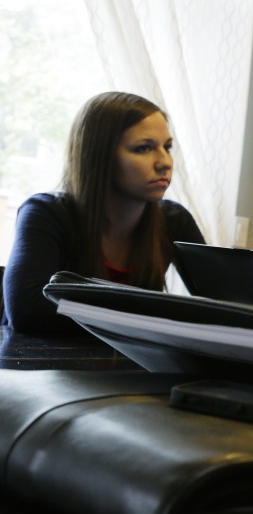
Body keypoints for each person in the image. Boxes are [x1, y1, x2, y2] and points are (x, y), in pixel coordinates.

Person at [3, 92, 205, 334]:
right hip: (44, 366)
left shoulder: (173, 220)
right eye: (143, 148)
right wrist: (150, 320)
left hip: (127, 367)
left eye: (167, 147)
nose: (165, 162)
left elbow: (224, 307)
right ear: (99, 156)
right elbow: (28, 312)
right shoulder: (46, 212)